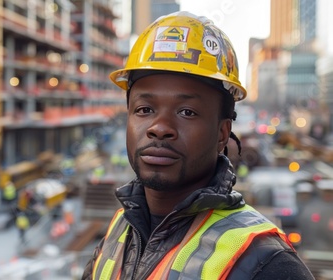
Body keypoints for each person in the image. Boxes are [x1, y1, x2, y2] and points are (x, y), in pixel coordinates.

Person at [82, 11, 314, 279]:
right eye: (144, 109)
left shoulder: (265, 263)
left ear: (222, 133)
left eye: (187, 112)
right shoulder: (118, 233)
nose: (159, 128)